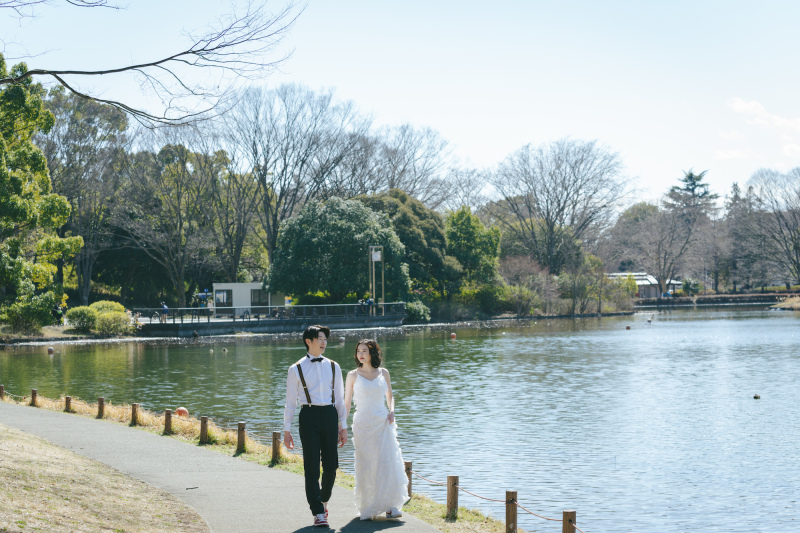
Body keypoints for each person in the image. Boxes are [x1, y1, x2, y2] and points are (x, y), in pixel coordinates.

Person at [284, 325, 348, 528]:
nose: (324, 342)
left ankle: (323, 499)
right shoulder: (296, 369)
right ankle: (318, 512)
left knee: (331, 465)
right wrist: (287, 429)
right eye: (320, 338)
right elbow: (290, 402)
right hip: (308, 415)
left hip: (329, 414)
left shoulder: (334, 366)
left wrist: (343, 425)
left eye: (326, 339)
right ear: (308, 341)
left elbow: (339, 398)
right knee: (311, 466)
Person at [344, 339, 408, 520]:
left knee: (387, 462)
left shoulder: (383, 373)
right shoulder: (352, 375)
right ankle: (367, 506)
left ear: (373, 352)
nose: (360, 354)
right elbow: (346, 403)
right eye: (358, 351)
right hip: (362, 425)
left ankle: (390, 505)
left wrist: (392, 411)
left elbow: (390, 396)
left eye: (364, 350)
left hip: (382, 422)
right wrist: (341, 424)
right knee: (367, 464)